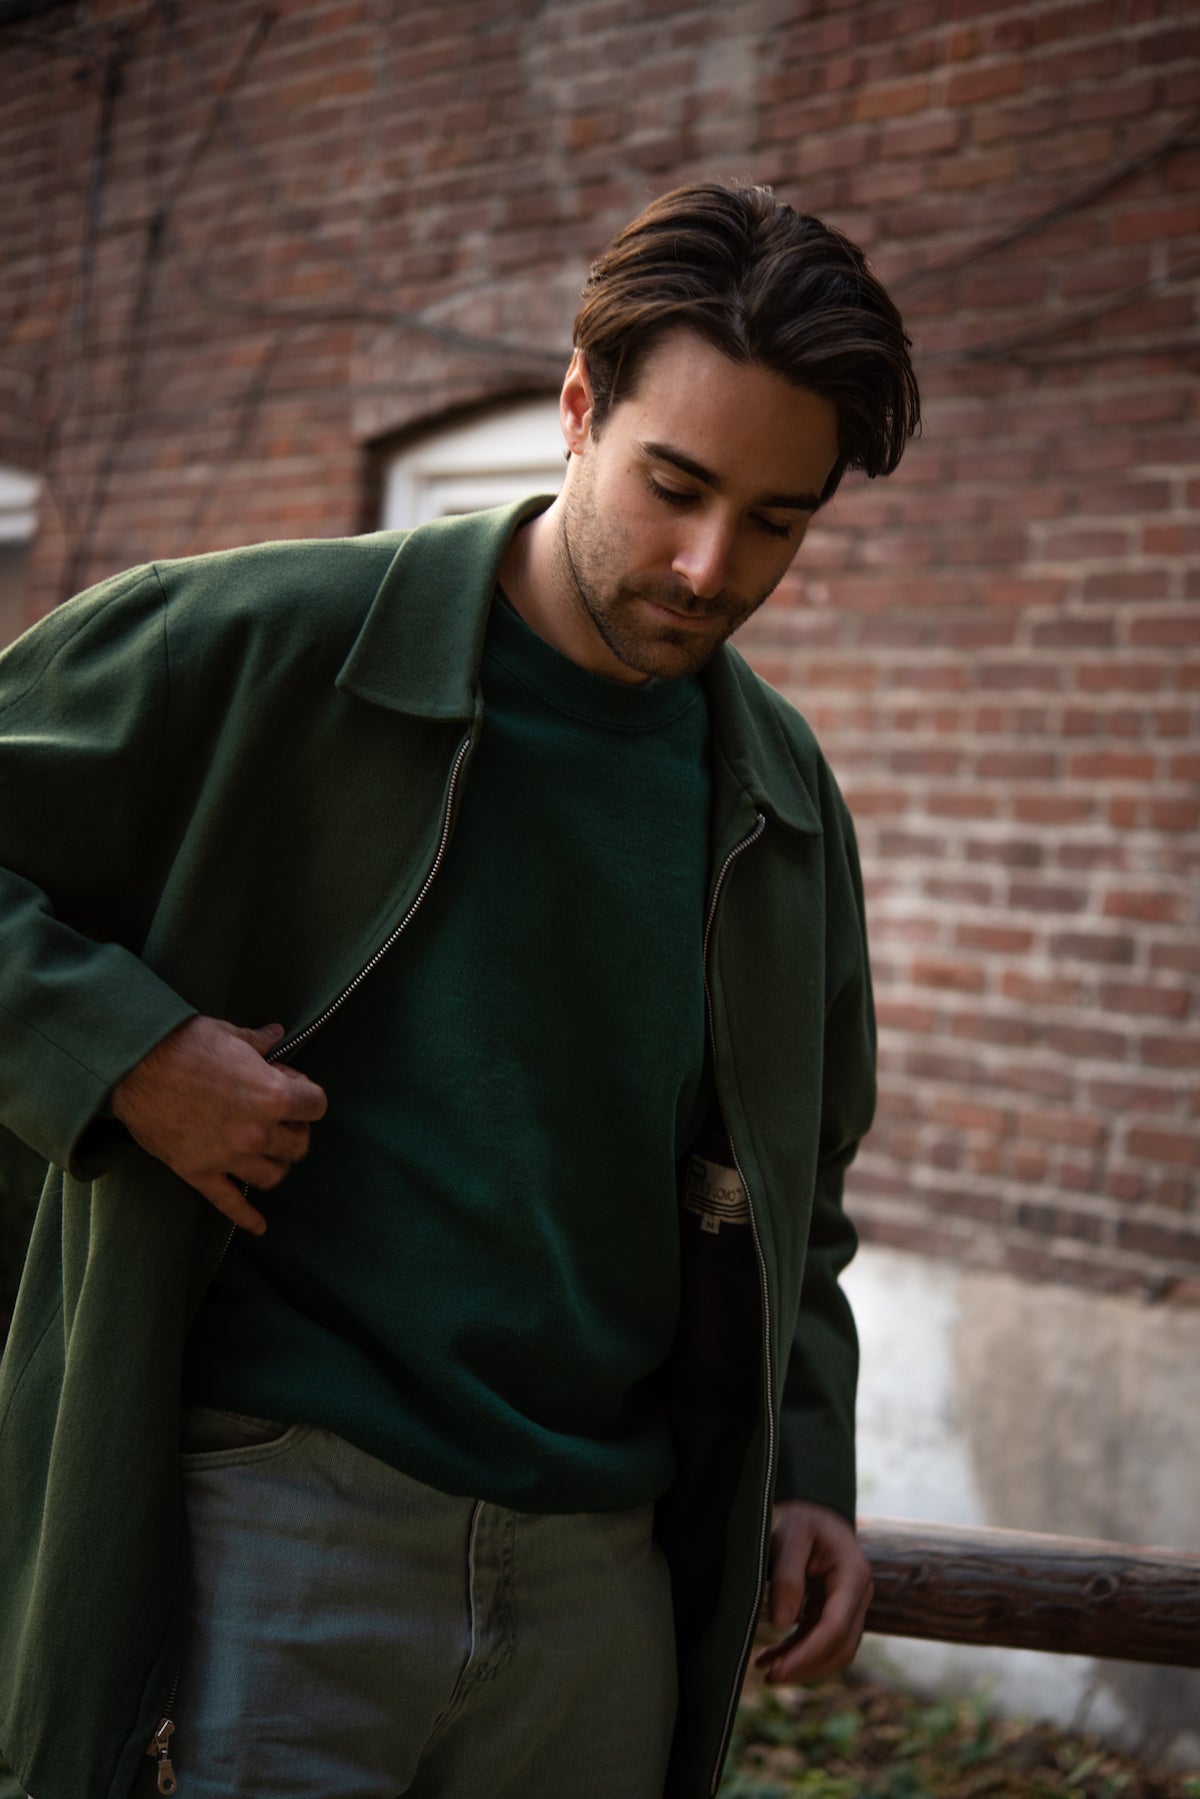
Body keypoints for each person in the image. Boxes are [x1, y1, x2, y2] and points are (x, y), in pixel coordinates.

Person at [0, 182, 919, 1799]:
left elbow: (796, 1194)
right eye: (675, 486)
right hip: (270, 1526)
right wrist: (120, 1049)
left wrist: (801, 1464)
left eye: (775, 520)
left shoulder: (778, 801)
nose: (711, 569)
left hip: (603, 1589)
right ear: (576, 406)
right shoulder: (253, 642)